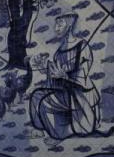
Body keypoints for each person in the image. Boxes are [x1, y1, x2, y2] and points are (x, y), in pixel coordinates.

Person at [29, 11, 101, 140]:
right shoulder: (59, 51)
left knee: (45, 101)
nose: (56, 28)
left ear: (69, 24)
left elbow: (82, 75)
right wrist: (45, 69)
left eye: (60, 23)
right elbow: (55, 75)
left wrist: (65, 76)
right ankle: (42, 129)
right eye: (55, 24)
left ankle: (58, 135)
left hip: (79, 94)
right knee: (36, 96)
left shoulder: (81, 46)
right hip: (64, 90)